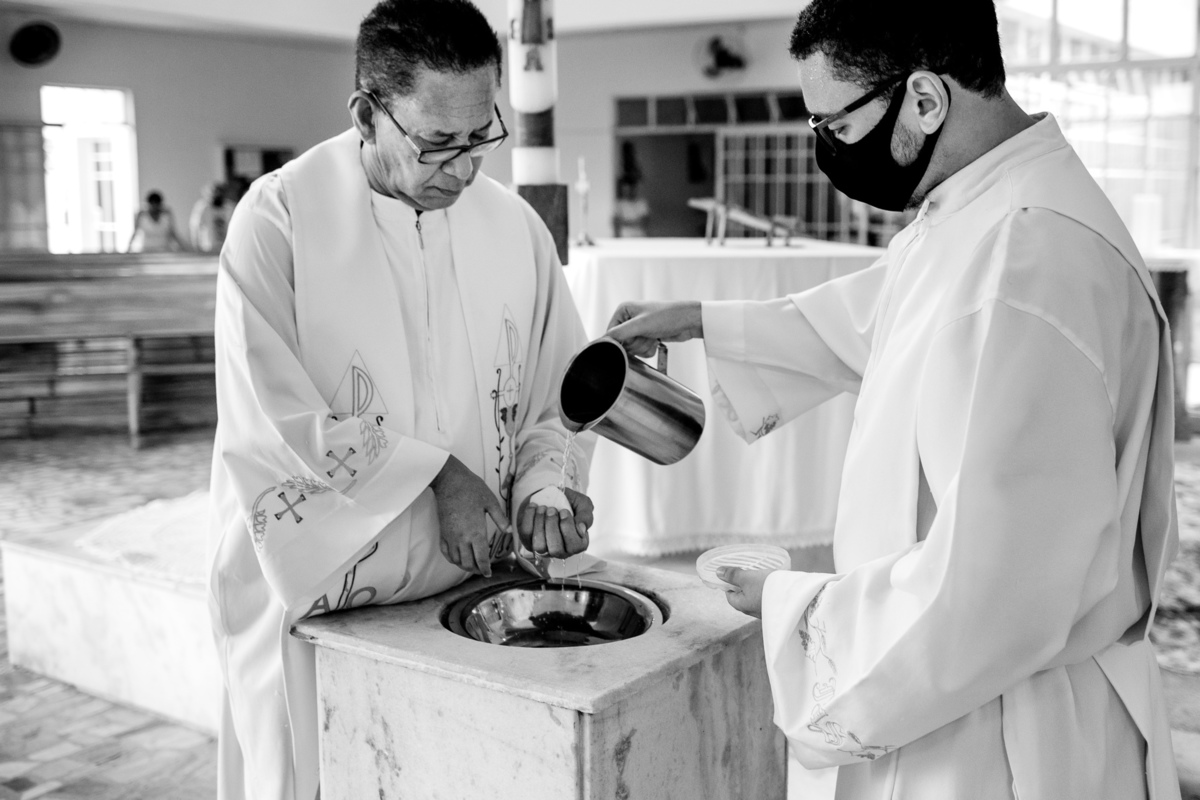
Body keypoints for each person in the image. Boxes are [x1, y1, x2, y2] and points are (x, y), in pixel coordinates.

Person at [607, 1, 1180, 798]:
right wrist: (703, 320)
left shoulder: (1029, 257)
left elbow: (993, 590)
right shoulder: (988, 202)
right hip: (970, 698)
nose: (828, 151)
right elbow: (890, 319)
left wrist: (797, 607)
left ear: (925, 99)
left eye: (837, 126)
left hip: (1000, 735)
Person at [206, 2, 596, 798]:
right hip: (326, 610)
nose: (464, 169)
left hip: (473, 600)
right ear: (366, 116)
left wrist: (543, 487)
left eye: (482, 135)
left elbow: (555, 397)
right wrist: (439, 476)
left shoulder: (515, 228)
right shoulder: (279, 221)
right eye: (437, 142)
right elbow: (273, 419)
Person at [189, 181, 233, 253]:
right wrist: (196, 247)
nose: (217, 195)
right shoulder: (202, 208)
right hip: (208, 248)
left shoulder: (229, 207)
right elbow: (194, 228)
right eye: (215, 193)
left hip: (226, 247)